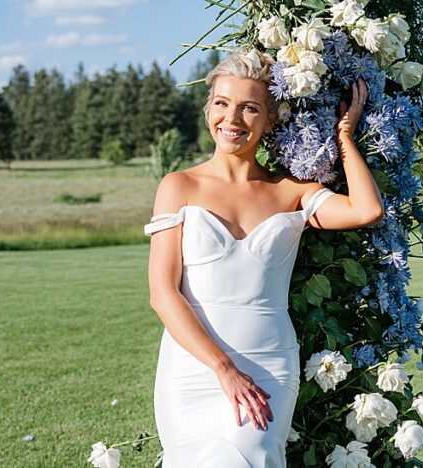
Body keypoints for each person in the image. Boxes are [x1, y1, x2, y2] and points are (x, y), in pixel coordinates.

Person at [145, 53, 384, 467]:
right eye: (221, 103)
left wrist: (345, 136)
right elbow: (163, 294)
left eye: (249, 107)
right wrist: (222, 368)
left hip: (267, 366)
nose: (232, 118)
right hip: (191, 370)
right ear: (208, 110)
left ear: (270, 119)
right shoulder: (178, 186)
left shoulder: (290, 192)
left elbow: (366, 210)